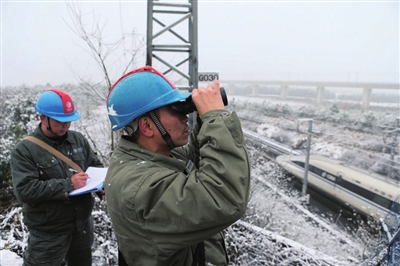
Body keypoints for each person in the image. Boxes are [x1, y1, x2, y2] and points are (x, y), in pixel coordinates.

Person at [105, 66, 251, 266]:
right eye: (175, 109)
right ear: (147, 126)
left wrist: (204, 120)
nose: (185, 116)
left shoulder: (155, 155)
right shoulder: (140, 187)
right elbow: (224, 197)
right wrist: (215, 118)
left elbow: (194, 162)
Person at [10, 89, 103, 266]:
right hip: (48, 234)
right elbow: (25, 190)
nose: (66, 126)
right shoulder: (24, 151)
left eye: (69, 121)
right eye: (60, 121)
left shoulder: (78, 140)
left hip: (82, 227)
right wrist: (68, 184)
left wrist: (102, 185)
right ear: (43, 118)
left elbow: (94, 165)